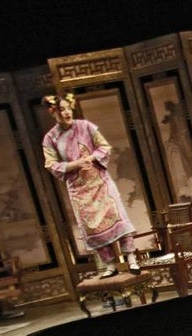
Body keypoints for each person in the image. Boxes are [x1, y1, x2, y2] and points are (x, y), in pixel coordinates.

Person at [42, 93, 139, 279]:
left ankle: (132, 258)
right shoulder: (50, 138)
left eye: (68, 108)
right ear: (52, 112)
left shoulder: (85, 127)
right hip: (79, 188)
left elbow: (104, 147)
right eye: (61, 110)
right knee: (93, 226)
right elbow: (51, 164)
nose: (66, 113)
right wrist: (75, 164)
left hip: (99, 181)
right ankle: (110, 265)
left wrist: (90, 158)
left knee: (116, 215)